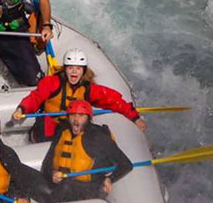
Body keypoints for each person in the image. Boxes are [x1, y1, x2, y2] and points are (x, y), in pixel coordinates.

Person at [12, 48, 146, 142]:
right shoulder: (52, 82)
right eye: (70, 68)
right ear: (65, 69)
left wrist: (134, 118)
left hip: (73, 127)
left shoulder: (88, 89)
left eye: (78, 68)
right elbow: (35, 98)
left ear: (83, 70)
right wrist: (21, 109)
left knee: (103, 135)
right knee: (52, 133)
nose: (74, 72)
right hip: (50, 126)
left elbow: (114, 101)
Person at [41, 100, 133, 203]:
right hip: (61, 185)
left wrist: (110, 179)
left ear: (88, 118)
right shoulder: (62, 133)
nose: (76, 120)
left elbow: (126, 165)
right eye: (72, 115)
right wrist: (52, 173)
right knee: (24, 171)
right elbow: (47, 164)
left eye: (81, 115)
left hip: (90, 188)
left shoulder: (98, 137)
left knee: (67, 185)